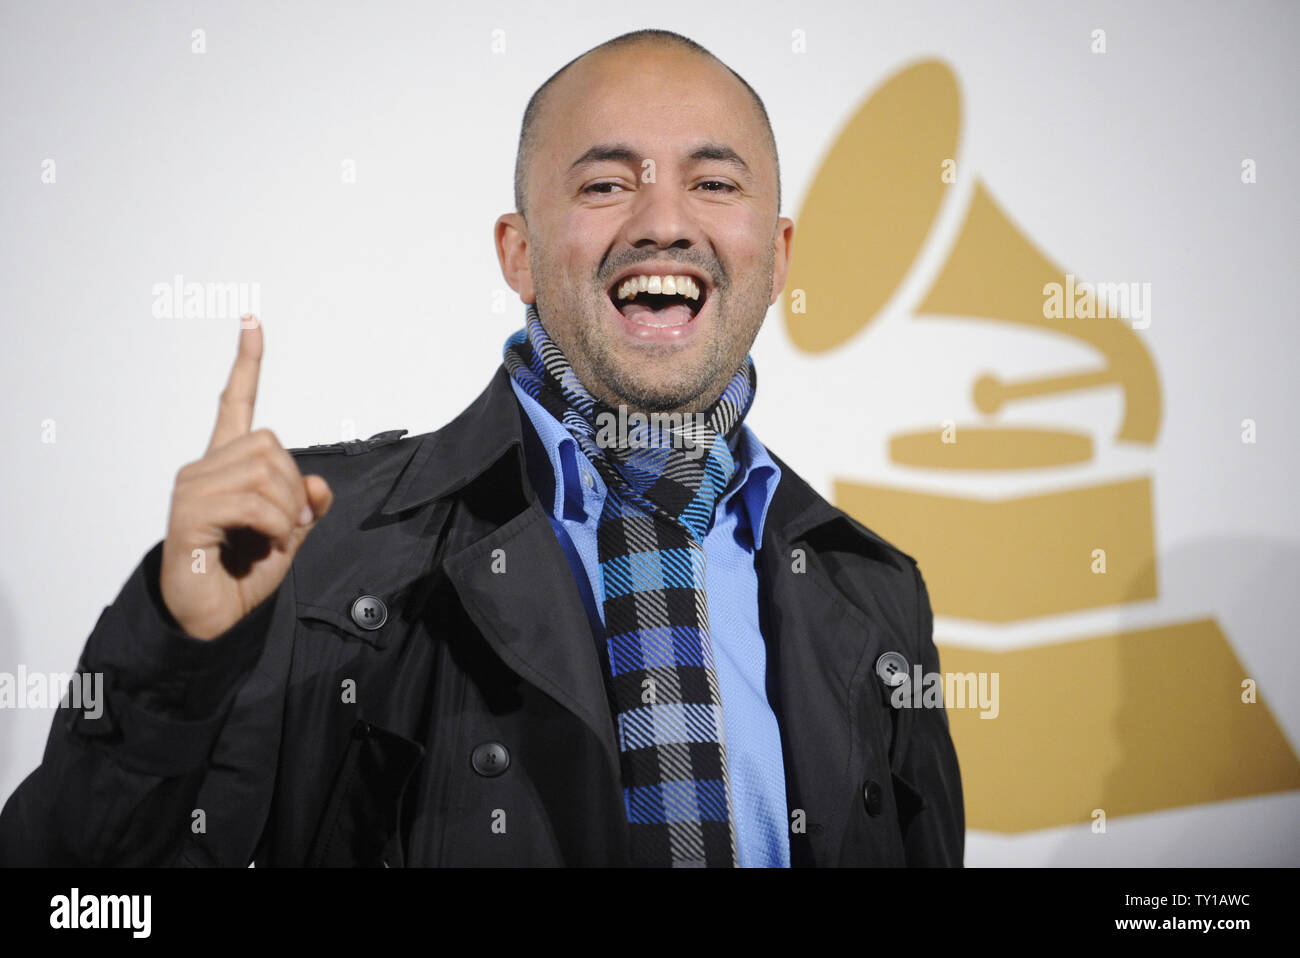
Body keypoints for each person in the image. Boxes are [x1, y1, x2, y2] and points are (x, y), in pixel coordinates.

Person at [0, 29, 963, 867]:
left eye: (713, 183)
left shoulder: (875, 594)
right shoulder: (316, 549)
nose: (665, 221)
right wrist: (181, 647)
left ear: (779, 253)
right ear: (519, 254)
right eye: (603, 183)